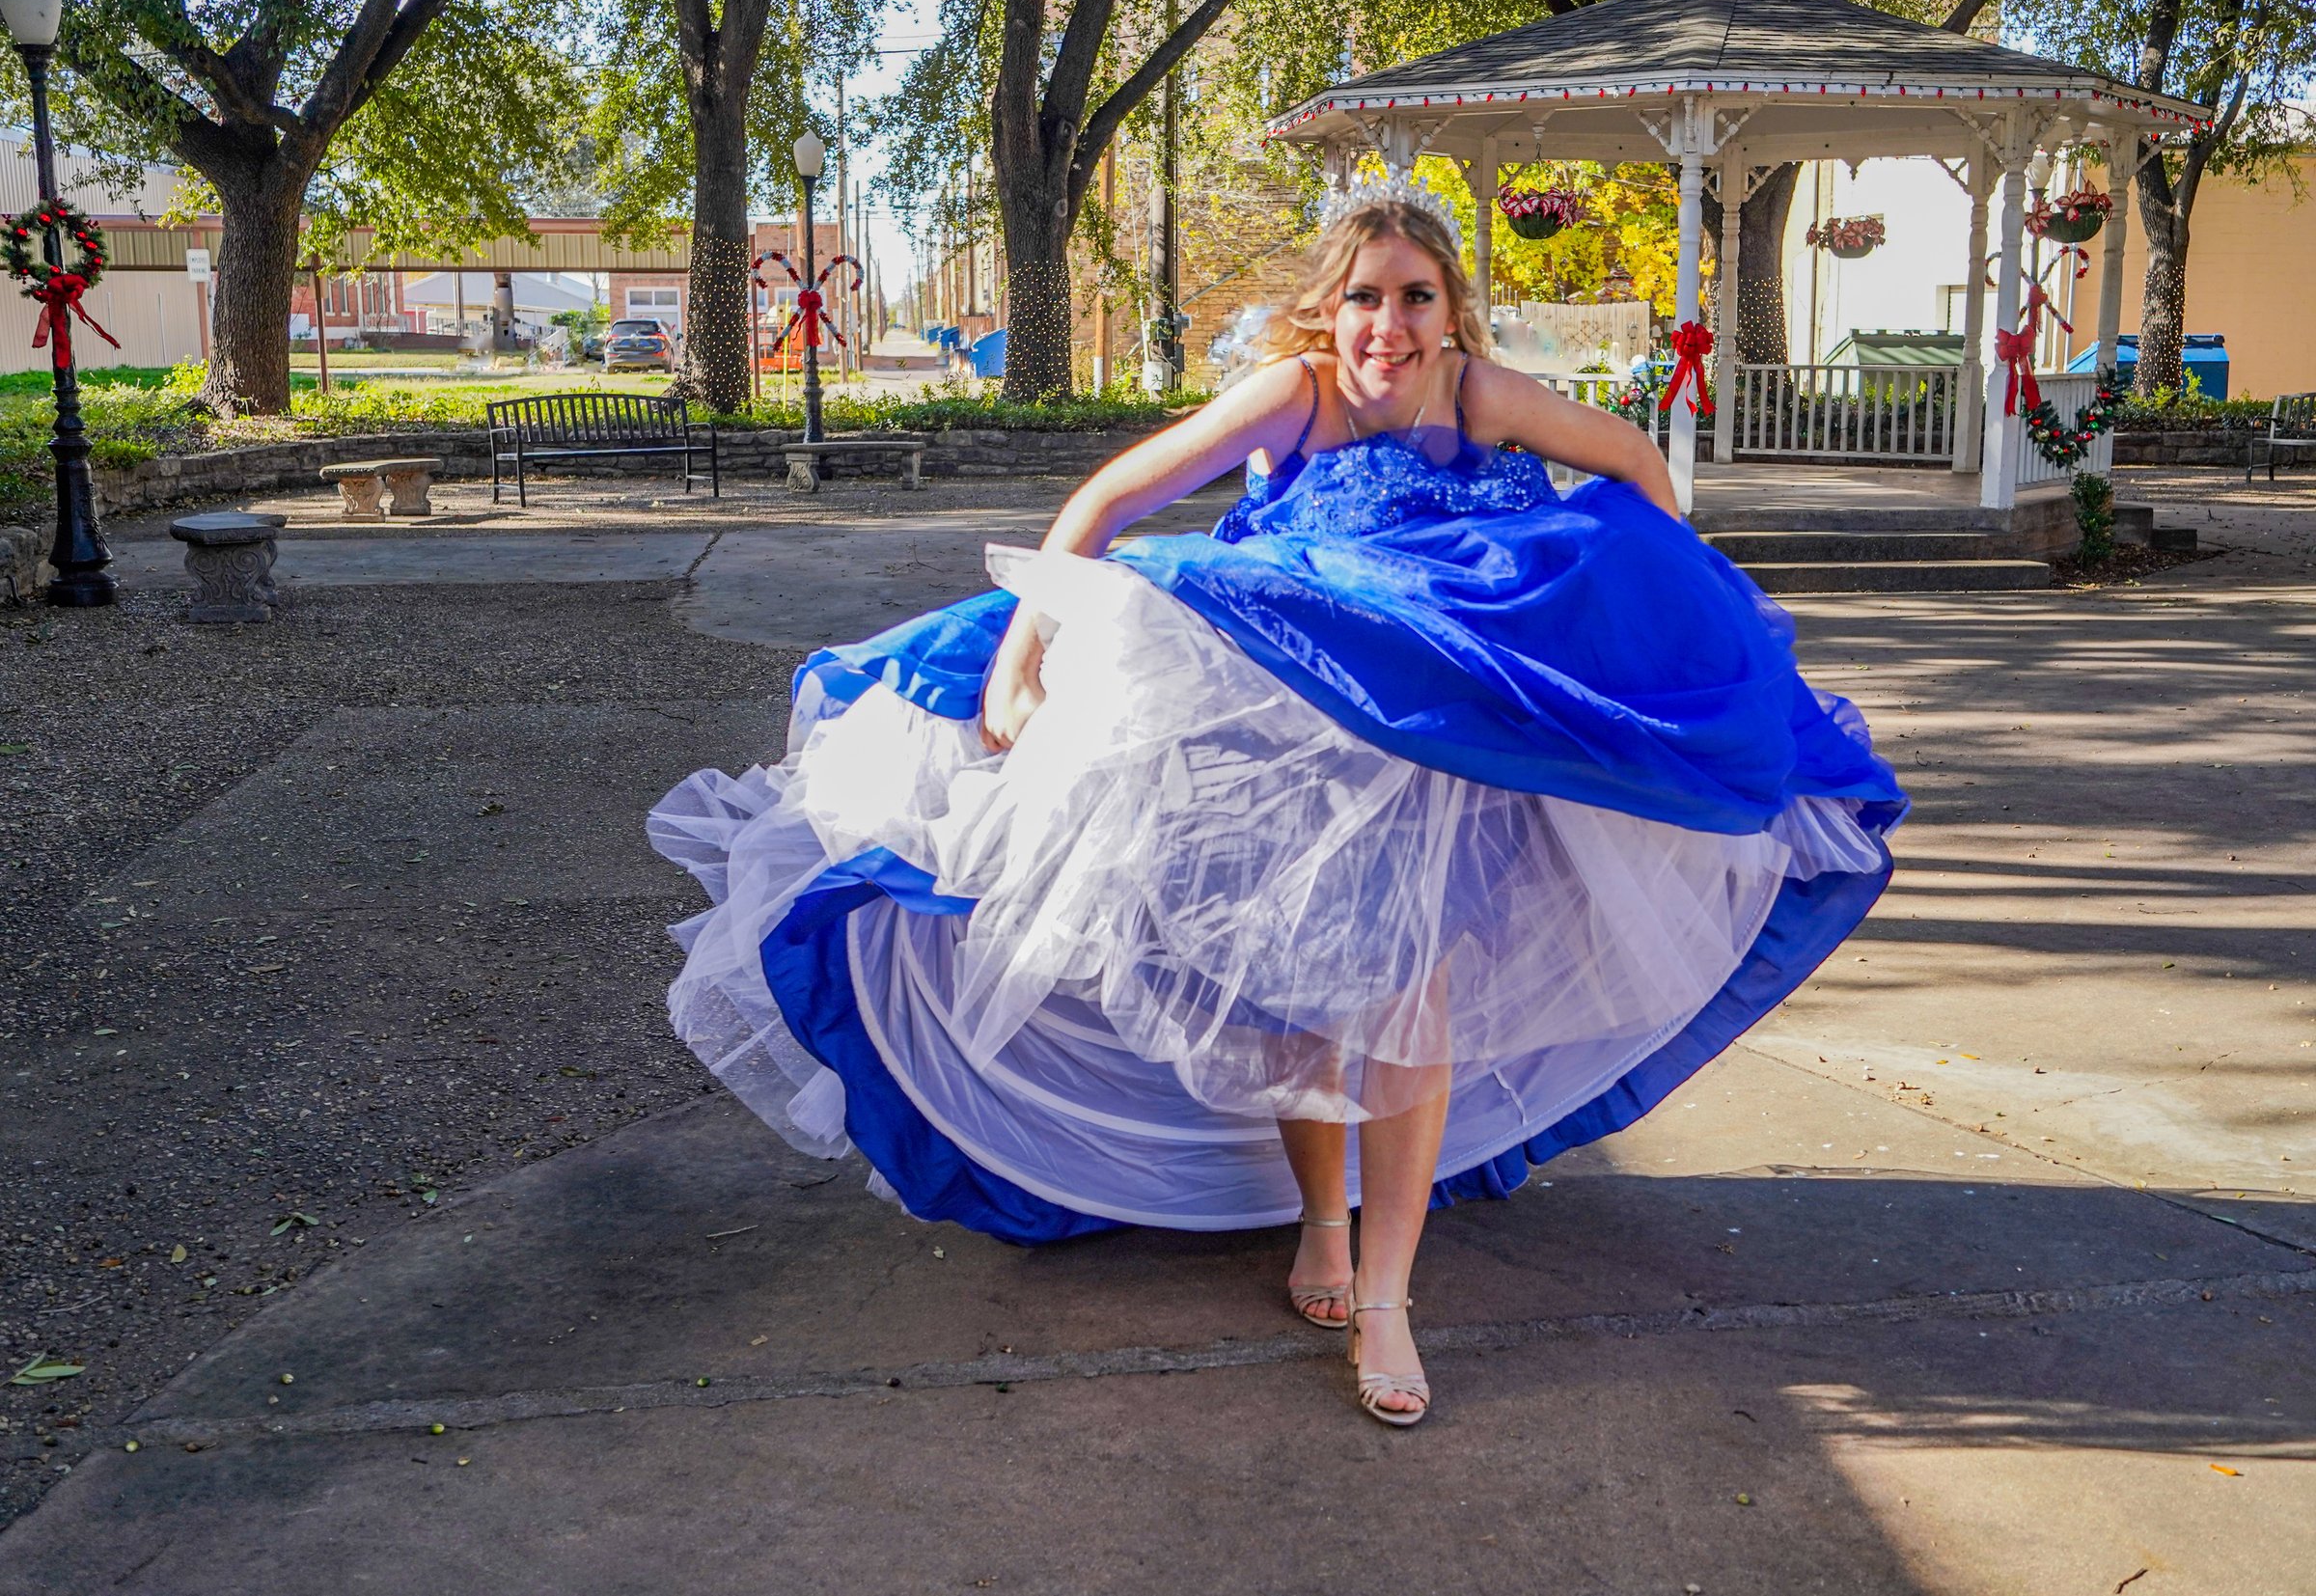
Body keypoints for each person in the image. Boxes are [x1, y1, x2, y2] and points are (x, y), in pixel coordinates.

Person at [649, 172, 1904, 1429]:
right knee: (1311, 993)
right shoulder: (1296, 395)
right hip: (1291, 749)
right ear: (1328, 308)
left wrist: (1635, 622)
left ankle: (1390, 1294)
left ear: (1449, 312)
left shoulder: (1473, 393)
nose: (1389, 325)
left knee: (1413, 991)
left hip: (1436, 756)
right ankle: (1323, 1217)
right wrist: (1027, 647)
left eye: (1416, 298)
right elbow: (1111, 503)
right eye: (1366, 297)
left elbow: (1634, 465)